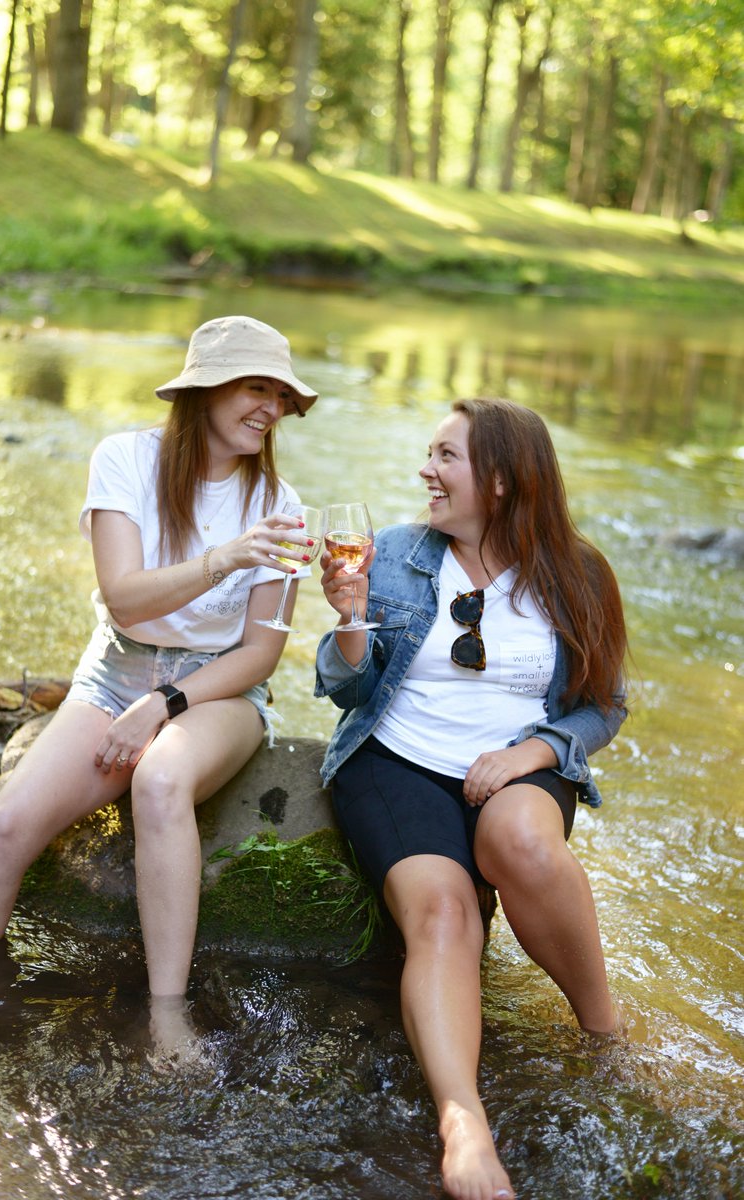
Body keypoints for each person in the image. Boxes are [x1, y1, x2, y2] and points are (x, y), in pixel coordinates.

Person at [0, 314, 318, 1061]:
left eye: (280, 394)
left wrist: (166, 705)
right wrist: (224, 558)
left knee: (161, 777)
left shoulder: (285, 507)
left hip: (218, 693)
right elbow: (125, 599)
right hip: (114, 674)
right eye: (255, 387)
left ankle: (166, 1018)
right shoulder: (125, 460)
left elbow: (261, 655)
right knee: (3, 832)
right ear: (203, 391)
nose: (270, 408)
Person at [315, 396, 628, 1200]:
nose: (426, 470)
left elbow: (603, 707)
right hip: (398, 760)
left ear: (500, 479)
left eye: (445, 457)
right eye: (429, 454)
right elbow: (343, 688)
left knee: (523, 845)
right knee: (446, 913)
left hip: (519, 764)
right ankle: (464, 1124)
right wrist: (350, 620)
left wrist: (531, 752)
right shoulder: (391, 553)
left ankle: (604, 1030)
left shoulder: (577, 573)